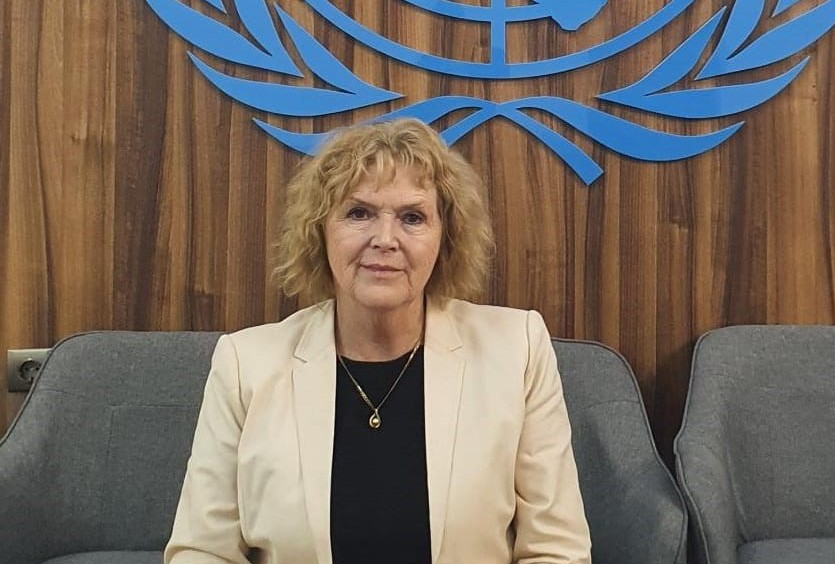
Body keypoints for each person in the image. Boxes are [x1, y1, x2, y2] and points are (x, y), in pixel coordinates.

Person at [165, 118, 591, 564]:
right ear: (320, 230)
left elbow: (556, 549)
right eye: (359, 213)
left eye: (412, 218)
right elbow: (202, 550)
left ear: (445, 238)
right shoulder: (245, 364)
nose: (385, 240)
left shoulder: (517, 350)